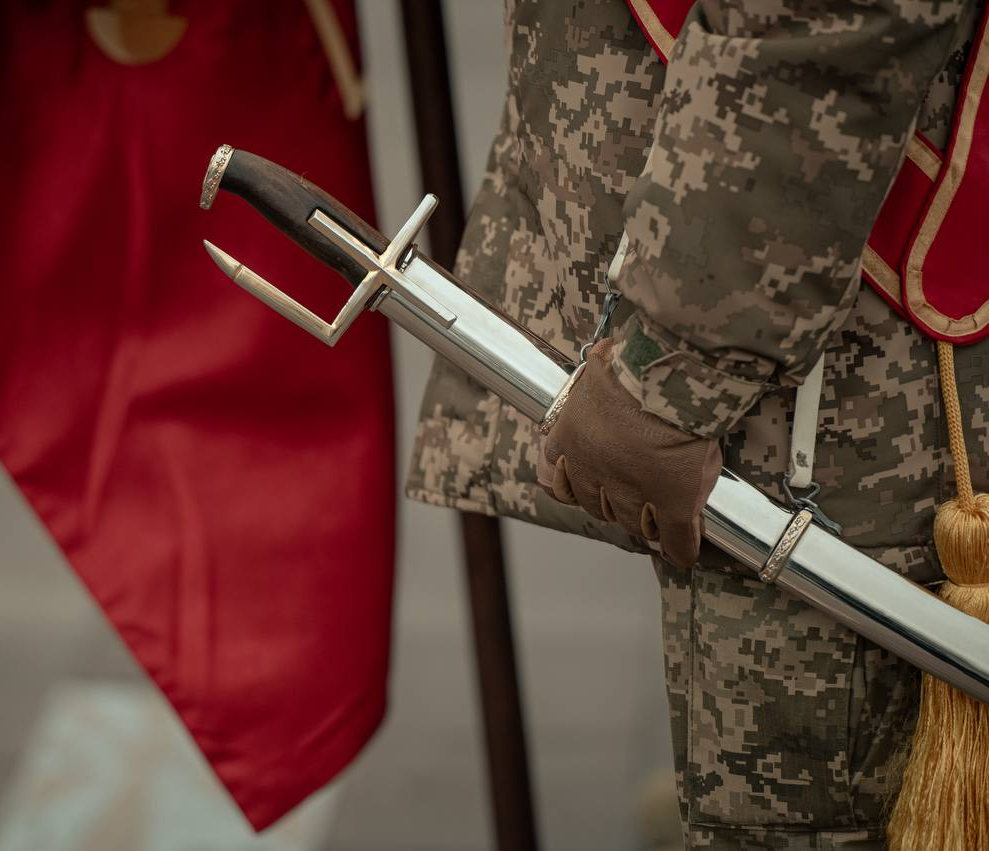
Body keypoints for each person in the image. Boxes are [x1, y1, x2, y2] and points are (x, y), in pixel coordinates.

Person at [407, 0, 988, 848]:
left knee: (829, 803)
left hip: (835, 364)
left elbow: (820, 21)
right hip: (768, 307)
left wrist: (673, 367)